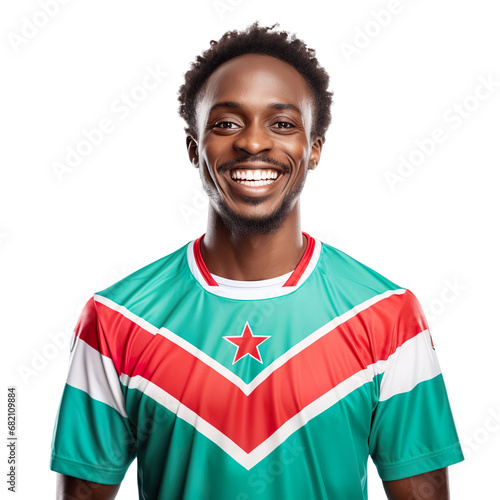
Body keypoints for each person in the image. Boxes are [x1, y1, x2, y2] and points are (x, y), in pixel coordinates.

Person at [50, 22, 464, 500]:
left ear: (314, 149)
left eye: (283, 124)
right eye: (226, 123)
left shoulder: (388, 317)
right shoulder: (116, 319)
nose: (252, 143)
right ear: (193, 148)